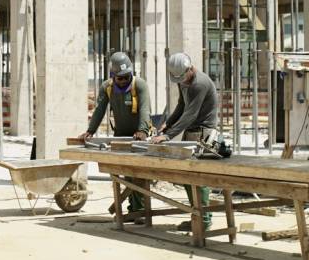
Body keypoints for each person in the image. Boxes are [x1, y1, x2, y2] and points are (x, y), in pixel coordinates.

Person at [78, 52, 152, 218]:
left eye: (127, 77)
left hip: (138, 135)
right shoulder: (107, 87)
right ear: (113, 75)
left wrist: (142, 131)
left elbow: (145, 109)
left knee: (139, 173)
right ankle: (134, 209)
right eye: (120, 78)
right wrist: (90, 131)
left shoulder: (139, 85)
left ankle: (138, 210)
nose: (124, 80)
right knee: (126, 172)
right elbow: (99, 110)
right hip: (120, 135)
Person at [150, 52, 217, 230]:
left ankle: (203, 221)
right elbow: (181, 106)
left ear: (189, 69)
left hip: (205, 133)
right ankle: (197, 217)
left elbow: (191, 113)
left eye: (183, 77)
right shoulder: (183, 81)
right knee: (187, 177)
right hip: (191, 131)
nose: (182, 81)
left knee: (199, 178)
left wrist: (168, 135)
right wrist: (168, 124)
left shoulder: (199, 84)